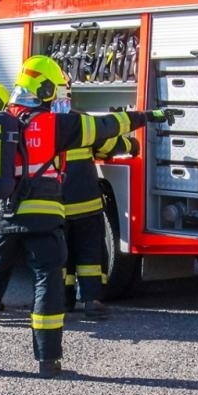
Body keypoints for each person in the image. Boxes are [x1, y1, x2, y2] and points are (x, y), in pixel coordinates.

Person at [0, 55, 162, 377]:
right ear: (47, 88)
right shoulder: (57, 124)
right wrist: (147, 116)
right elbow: (106, 125)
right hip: (43, 217)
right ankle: (48, 361)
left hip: (1, 217)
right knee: (47, 283)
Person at [59, 104, 137, 320]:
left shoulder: (42, 124)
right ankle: (91, 301)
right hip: (86, 203)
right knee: (89, 253)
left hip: (56, 205)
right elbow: (107, 145)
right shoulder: (82, 121)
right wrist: (132, 144)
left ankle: (63, 300)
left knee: (60, 255)